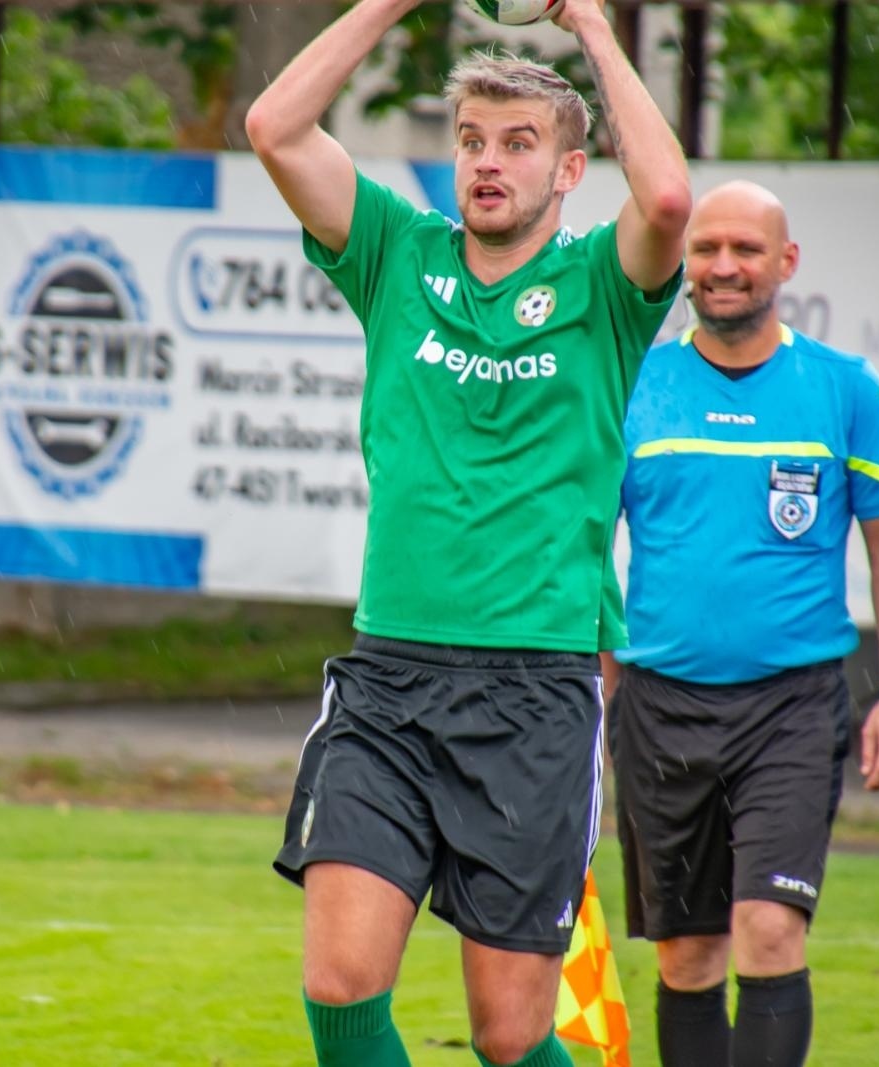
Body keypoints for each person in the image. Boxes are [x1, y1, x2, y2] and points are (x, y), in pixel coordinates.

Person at [244, 0, 691, 1062]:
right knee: (340, 986)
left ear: (569, 171)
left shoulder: (600, 286)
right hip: (389, 679)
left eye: (520, 144)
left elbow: (668, 195)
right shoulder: (397, 254)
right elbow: (274, 126)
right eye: (472, 141)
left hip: (533, 692)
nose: (488, 163)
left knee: (508, 1034)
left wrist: (591, 26)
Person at [601, 180, 879, 1067]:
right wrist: (585, 697)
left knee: (770, 931)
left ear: (785, 264)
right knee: (689, 954)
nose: (723, 266)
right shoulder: (636, 383)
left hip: (790, 706)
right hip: (659, 706)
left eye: (746, 249)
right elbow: (585, 547)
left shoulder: (842, 388)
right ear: (682, 265)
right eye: (705, 249)